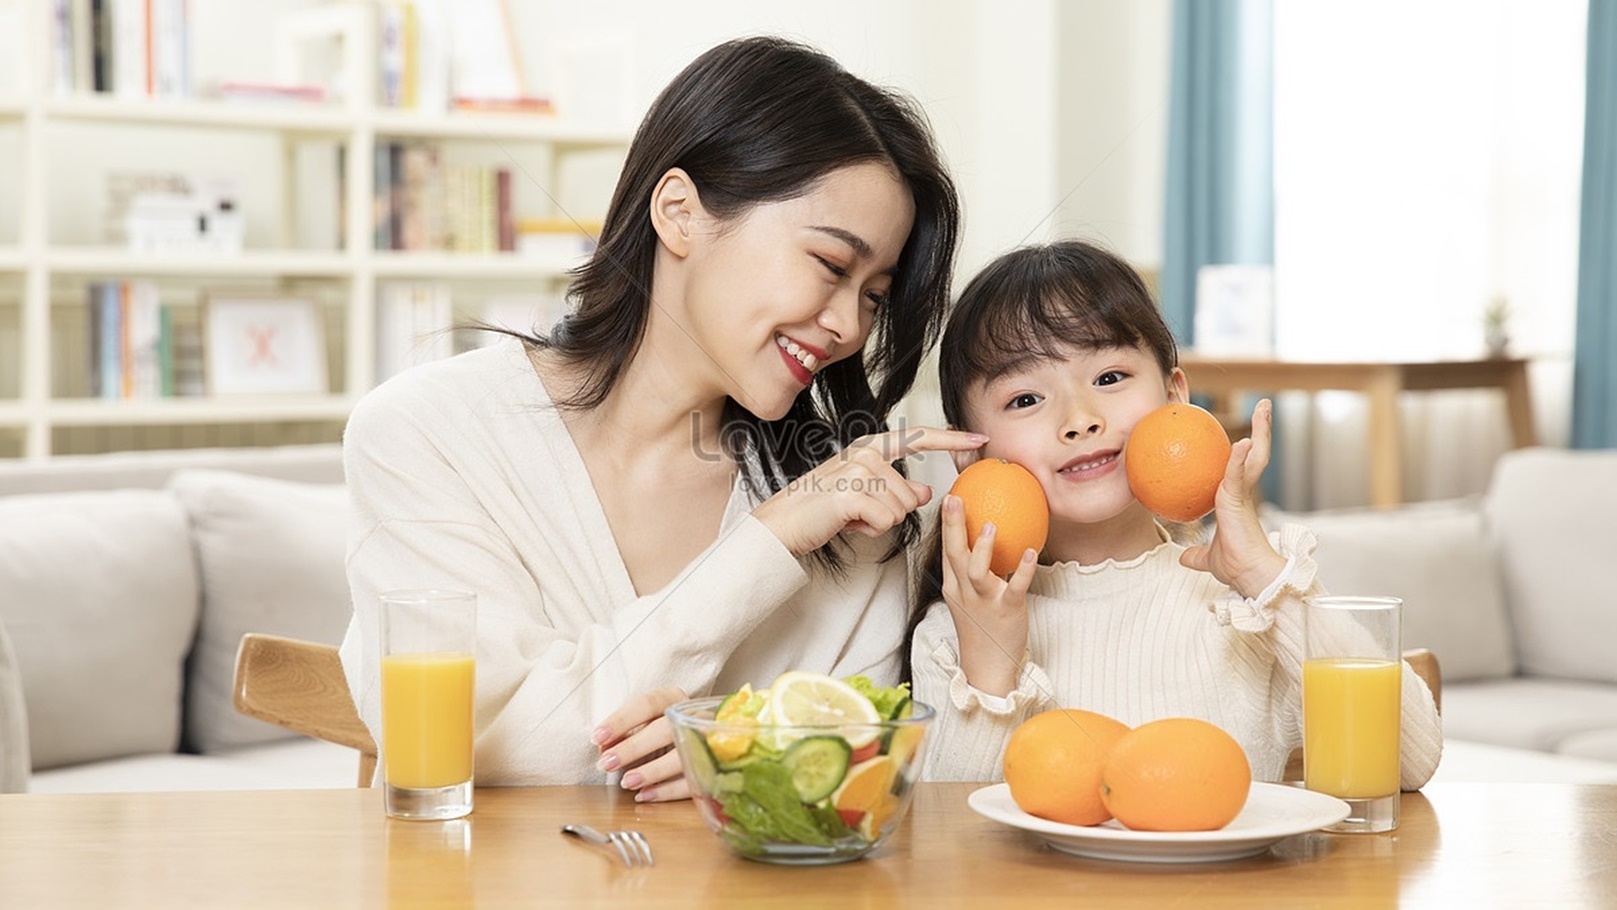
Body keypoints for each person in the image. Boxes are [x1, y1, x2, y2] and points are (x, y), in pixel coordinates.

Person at [339, 36, 978, 801]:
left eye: (874, 294)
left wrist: (737, 755)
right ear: (679, 213)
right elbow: (472, 746)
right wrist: (767, 541)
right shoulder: (425, 434)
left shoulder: (857, 505)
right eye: (831, 266)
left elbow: (853, 785)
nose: (847, 324)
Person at [903, 240, 1442, 785]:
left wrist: (1264, 579)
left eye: (1109, 378)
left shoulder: (1250, 607)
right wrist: (991, 665)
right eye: (1025, 399)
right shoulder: (955, 633)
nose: (1080, 418)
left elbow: (1407, 764)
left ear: (1174, 397)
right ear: (969, 452)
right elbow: (951, 846)